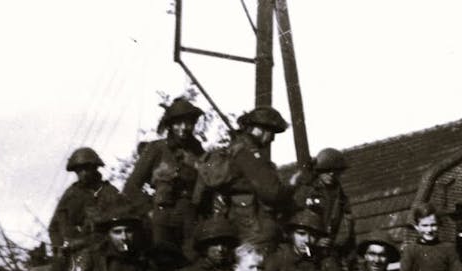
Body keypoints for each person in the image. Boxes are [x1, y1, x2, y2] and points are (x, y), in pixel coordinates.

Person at [196, 105, 290, 250]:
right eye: (271, 132)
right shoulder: (248, 153)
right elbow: (272, 193)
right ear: (259, 130)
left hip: (238, 221)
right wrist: (290, 187)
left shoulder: (236, 148)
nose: (272, 139)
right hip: (254, 228)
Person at [122, 97, 205, 256]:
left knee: (191, 258)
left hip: (190, 217)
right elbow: (131, 188)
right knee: (162, 259)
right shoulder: (156, 149)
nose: (183, 128)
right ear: (170, 125)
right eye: (178, 123)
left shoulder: (198, 151)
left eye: (188, 123)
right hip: (162, 217)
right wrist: (149, 210)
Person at [48, 146, 122, 262]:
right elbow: (54, 227)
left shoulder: (109, 191)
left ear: (95, 168)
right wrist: (60, 247)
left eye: (87, 169)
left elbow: (123, 220)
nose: (84, 173)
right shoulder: (71, 194)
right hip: (77, 249)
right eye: (79, 170)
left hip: (107, 246)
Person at [289, 147, 355, 259]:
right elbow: (298, 222)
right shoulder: (308, 192)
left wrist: (335, 242)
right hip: (308, 247)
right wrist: (314, 240)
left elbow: (346, 225)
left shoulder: (341, 197)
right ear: (319, 170)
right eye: (327, 170)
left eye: (336, 171)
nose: (331, 174)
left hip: (331, 249)